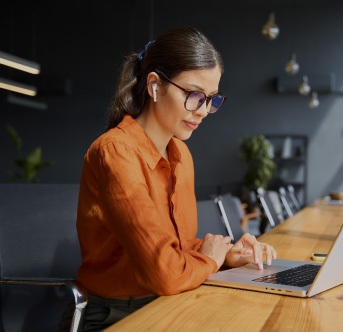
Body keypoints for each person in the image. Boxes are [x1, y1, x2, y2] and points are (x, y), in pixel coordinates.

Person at [61, 26, 276, 331]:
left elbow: (176, 248)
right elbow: (163, 272)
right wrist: (211, 261)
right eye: (194, 95)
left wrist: (226, 254)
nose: (202, 111)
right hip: (114, 316)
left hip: (167, 302)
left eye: (211, 99)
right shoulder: (116, 152)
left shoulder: (181, 155)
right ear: (155, 86)